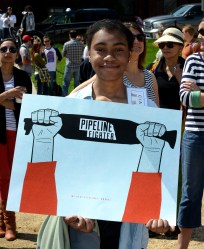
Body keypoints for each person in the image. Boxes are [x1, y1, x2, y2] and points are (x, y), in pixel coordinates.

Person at [67, 19, 174, 249]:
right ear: (89, 53)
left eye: (118, 50)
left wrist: (160, 210)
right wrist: (67, 207)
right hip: (82, 224)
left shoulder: (147, 111)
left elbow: (158, 169)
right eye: (101, 49)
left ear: (129, 54)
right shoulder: (71, 107)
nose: (109, 57)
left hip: (129, 224)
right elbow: (62, 172)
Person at [0, 37, 32, 241]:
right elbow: (15, 99)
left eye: (13, 48)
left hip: (17, 132)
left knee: (11, 178)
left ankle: (5, 222)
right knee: (3, 177)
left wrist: (3, 100)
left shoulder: (22, 76)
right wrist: (8, 94)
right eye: (4, 48)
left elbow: (26, 105)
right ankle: (7, 222)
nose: (9, 52)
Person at [177, 20, 204, 249]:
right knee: (190, 195)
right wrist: (195, 96)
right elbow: (185, 98)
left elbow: (194, 96)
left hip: (196, 134)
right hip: (196, 136)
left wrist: (200, 95)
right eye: (202, 31)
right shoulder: (193, 60)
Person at [147, 27, 185, 110]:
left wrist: (181, 80)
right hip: (157, 117)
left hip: (182, 120)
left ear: (180, 47)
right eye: (162, 44)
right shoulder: (152, 69)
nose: (165, 48)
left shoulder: (189, 69)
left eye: (170, 44)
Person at [61, 29, 84, 96]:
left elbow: (63, 54)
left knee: (66, 84)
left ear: (69, 35)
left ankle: (64, 97)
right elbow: (82, 53)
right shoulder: (81, 44)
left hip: (69, 66)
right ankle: (76, 96)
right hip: (78, 66)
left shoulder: (66, 44)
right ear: (76, 36)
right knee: (77, 84)